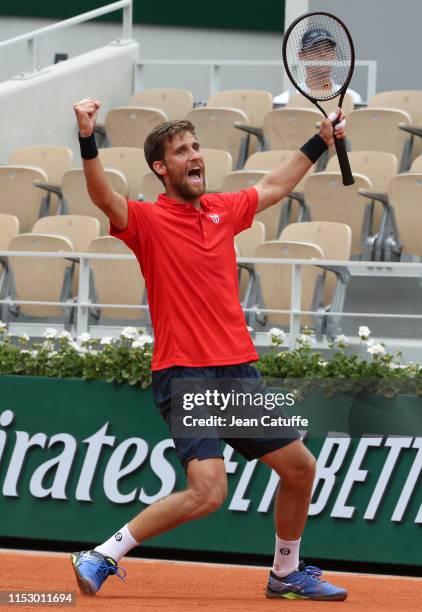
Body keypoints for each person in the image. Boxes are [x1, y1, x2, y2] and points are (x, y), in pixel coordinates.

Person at [70, 97, 348, 602]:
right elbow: (102, 195)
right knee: (209, 492)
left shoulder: (223, 209)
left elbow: (276, 185)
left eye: (197, 146)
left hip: (238, 373)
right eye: (182, 150)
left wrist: (320, 141)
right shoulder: (145, 221)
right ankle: (103, 553)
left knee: (301, 467)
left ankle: (285, 572)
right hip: (187, 375)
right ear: (162, 167)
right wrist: (88, 136)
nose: (195, 155)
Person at [274, 27, 362, 106]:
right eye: (315, 49)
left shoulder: (353, 99)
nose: (323, 54)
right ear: (301, 56)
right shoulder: (283, 101)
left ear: (334, 55)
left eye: (328, 49)